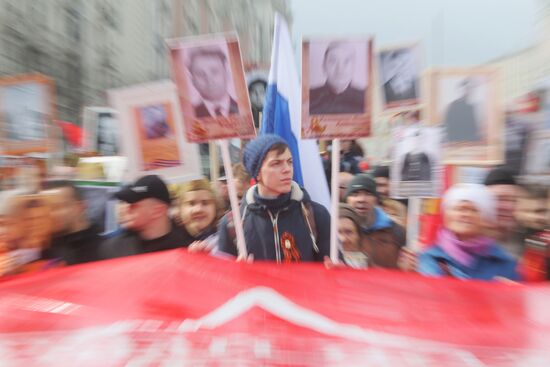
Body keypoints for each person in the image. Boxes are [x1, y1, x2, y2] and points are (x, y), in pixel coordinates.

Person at [218, 134, 331, 262]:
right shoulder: (232, 223)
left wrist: (334, 269)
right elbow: (222, 277)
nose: (287, 169)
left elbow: (334, 268)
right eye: (276, 163)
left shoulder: (316, 215)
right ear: (257, 173)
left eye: (289, 162)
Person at [417, 183, 520, 280]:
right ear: (447, 216)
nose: (465, 215)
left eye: (473, 210)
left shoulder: (503, 262)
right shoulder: (430, 258)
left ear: (485, 219)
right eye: (459, 209)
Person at [99, 175, 192, 259]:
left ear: (157, 210)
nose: (125, 209)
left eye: (133, 205)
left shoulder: (187, 249)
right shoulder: (113, 249)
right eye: (123, 203)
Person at [344, 174, 406, 268]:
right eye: (354, 194)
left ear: (376, 199)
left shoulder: (396, 231)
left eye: (368, 194)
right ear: (347, 200)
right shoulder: (337, 231)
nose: (361, 199)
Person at [40, 181, 103, 266]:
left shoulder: (106, 248)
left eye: (57, 207)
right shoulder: (43, 251)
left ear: (80, 207)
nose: (50, 214)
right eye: (45, 209)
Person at [309, 42, 365, 115]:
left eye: (346, 62)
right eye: (333, 61)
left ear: (353, 67)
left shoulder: (365, 98)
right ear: (323, 66)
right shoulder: (309, 97)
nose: (339, 69)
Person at [188, 47, 239, 118]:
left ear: (227, 74)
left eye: (214, 71)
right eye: (200, 74)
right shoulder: (189, 117)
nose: (209, 80)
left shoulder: (243, 109)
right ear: (192, 81)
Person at [484, 166, 522, 258]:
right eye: (499, 199)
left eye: (513, 200)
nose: (508, 206)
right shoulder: (468, 241)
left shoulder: (527, 240)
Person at [443, 78, 481, 143]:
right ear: (461, 90)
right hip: (456, 140)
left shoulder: (471, 107)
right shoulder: (453, 106)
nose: (469, 91)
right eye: (467, 89)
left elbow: (474, 127)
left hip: (470, 140)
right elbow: (447, 125)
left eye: (471, 89)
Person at [338, 204, 369, 268]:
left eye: (349, 232)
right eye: (338, 232)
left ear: (359, 235)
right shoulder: (321, 261)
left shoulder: (372, 264)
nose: (343, 239)